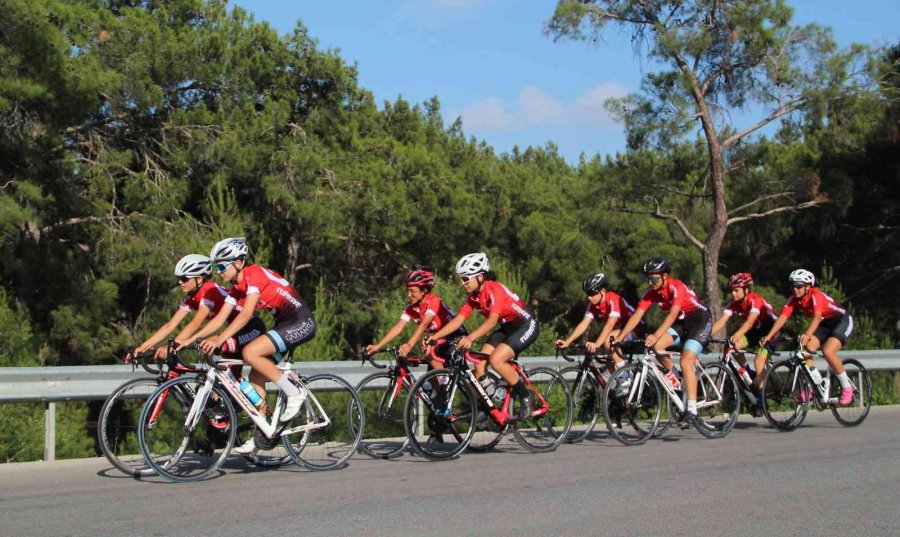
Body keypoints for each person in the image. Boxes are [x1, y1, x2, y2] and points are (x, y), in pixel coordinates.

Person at [189, 237, 316, 454]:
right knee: (256, 376)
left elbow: (246, 314)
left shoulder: (254, 274)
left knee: (250, 352)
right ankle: (263, 433)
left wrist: (219, 340)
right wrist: (189, 340)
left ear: (238, 262)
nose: (218, 271)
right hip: (284, 325)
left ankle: (294, 393)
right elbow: (220, 319)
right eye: (215, 267)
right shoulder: (236, 287)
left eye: (221, 265)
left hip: (301, 322)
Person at [426, 253, 539, 421]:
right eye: (461, 279)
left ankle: (526, 395)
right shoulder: (474, 297)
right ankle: (493, 405)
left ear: (479, 276)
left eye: (465, 279)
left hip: (525, 325)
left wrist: (470, 338)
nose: (462, 283)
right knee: (479, 364)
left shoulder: (494, 289)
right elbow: (457, 320)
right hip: (507, 327)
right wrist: (435, 336)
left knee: (496, 360)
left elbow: (492, 321)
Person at [613, 257, 712, 426]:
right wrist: (620, 338)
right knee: (657, 346)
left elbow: (672, 314)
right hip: (682, 323)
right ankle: (675, 375)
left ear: (665, 276)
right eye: (648, 279)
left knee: (686, 361)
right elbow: (637, 315)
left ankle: (693, 410)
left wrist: (656, 334)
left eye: (654, 279)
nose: (650, 282)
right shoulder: (650, 293)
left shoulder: (676, 286)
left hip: (700, 320)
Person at [126, 254, 265, 362]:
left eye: (185, 278)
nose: (180, 282)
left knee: (214, 349)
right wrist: (142, 348)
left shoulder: (208, 291)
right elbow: (170, 325)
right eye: (179, 278)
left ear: (199, 279)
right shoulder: (190, 297)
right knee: (218, 379)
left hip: (251, 327)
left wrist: (172, 347)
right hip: (234, 329)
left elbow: (194, 324)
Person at [760, 269, 855, 405]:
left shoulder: (815, 294)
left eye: (798, 286)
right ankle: (813, 386)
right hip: (824, 323)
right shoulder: (793, 299)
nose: (795, 289)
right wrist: (769, 336)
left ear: (808, 286)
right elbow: (782, 318)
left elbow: (816, 317)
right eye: (793, 285)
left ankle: (847, 387)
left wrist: (807, 334)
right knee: (804, 351)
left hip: (841, 321)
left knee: (828, 351)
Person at [365, 268, 465, 369]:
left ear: (424, 291)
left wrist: (409, 344)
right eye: (407, 291)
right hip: (437, 338)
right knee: (431, 379)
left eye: (412, 291)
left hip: (456, 335)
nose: (409, 295)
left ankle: (445, 383)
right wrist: (378, 346)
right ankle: (443, 382)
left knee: (429, 351)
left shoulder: (434, 300)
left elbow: (424, 323)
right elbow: (399, 326)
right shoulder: (411, 308)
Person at [710, 272, 779, 415]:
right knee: (731, 348)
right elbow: (722, 321)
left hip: (771, 330)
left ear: (746, 290)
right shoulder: (733, 304)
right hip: (756, 331)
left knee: (759, 361)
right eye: (732, 291)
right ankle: (748, 372)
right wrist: (705, 335)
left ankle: (761, 401)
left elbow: (750, 321)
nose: (733, 294)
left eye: (736, 290)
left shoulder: (755, 300)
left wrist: (737, 334)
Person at [555, 272, 639, 374]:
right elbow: (583, 324)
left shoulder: (613, 299)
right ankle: (619, 385)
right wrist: (568, 341)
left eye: (592, 293)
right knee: (609, 363)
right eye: (587, 294)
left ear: (602, 291)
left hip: (635, 328)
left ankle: (625, 376)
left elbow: (609, 326)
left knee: (608, 340)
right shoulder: (593, 305)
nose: (589, 297)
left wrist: (597, 344)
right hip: (620, 331)